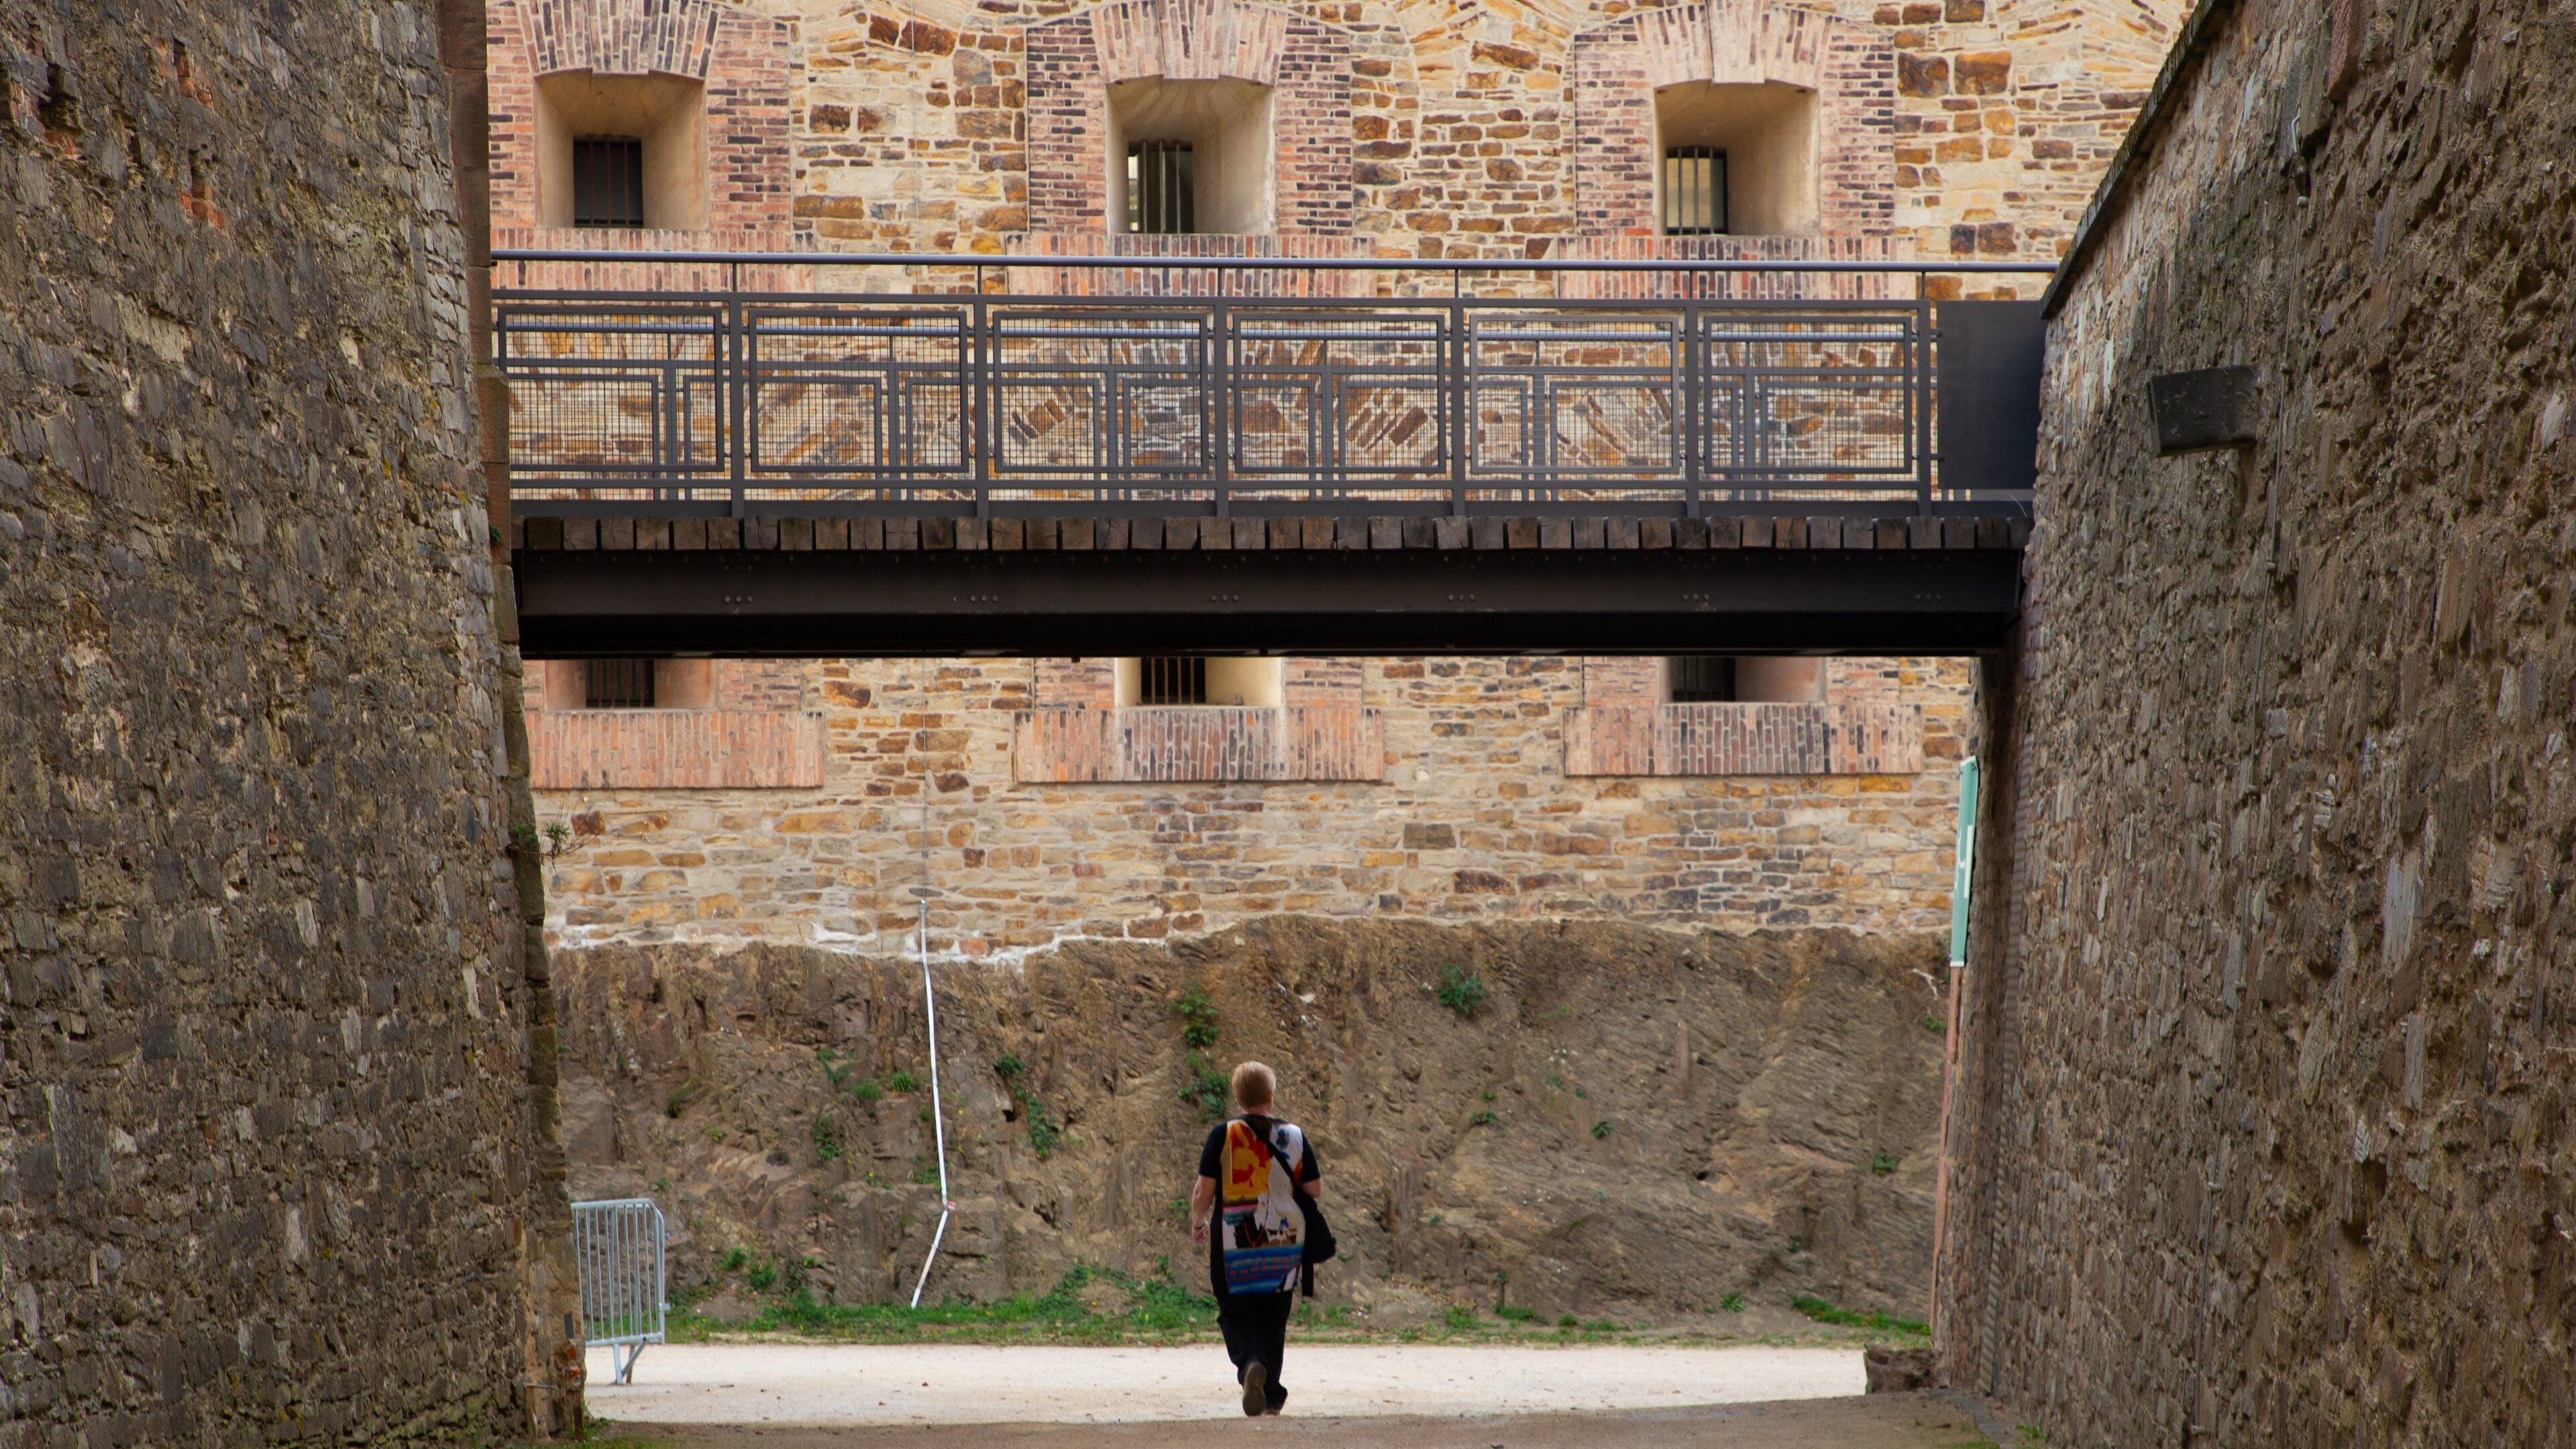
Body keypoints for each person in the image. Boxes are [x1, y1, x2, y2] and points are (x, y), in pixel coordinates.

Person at [1190, 1060, 1320, 1417]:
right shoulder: (1294, 1135)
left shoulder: (1224, 1134)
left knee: (1233, 1313)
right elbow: (1315, 1188)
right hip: (1285, 1243)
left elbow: (1205, 1190)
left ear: (1238, 1096)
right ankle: (1273, 1398)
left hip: (1234, 1243)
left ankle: (1249, 1366)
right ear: (1270, 1095)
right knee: (1274, 1319)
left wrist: (1199, 1221)